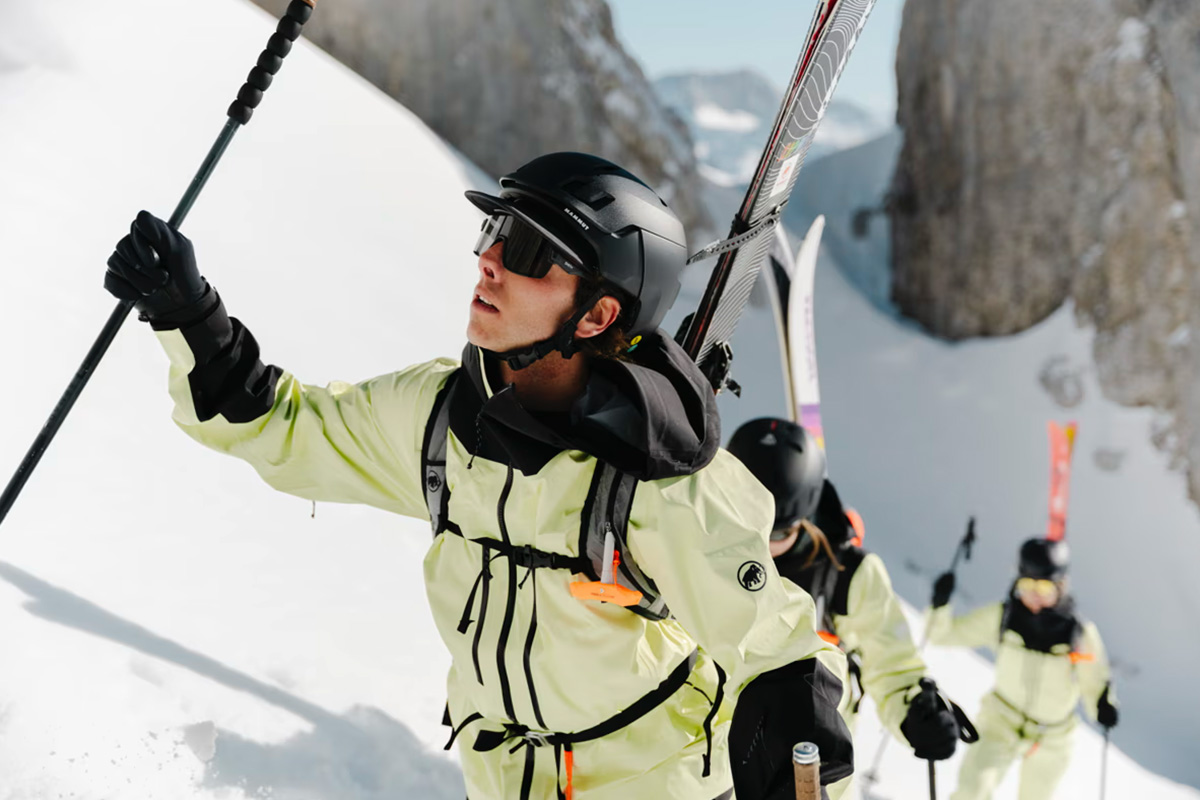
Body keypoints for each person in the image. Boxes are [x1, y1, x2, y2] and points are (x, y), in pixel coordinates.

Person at [104, 152, 854, 800]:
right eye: (494, 232)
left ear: (594, 316)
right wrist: (189, 316)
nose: (488, 259)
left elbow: (782, 652)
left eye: (529, 249)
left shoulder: (661, 485)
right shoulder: (440, 417)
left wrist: (798, 752)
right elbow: (282, 426)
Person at [727, 417, 972, 798]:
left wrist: (915, 711)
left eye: (776, 531)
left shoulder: (847, 575)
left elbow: (890, 660)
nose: (760, 543)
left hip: (813, 767)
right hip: (716, 760)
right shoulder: (705, 551)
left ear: (803, 518)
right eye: (746, 522)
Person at [927, 537, 1118, 800]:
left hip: (1052, 736)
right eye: (1027, 586)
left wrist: (1103, 706)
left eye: (1044, 588)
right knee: (972, 791)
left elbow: (1095, 682)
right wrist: (939, 607)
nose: (1035, 597)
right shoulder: (1004, 617)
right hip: (1001, 721)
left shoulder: (1079, 633)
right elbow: (943, 635)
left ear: (1061, 586)